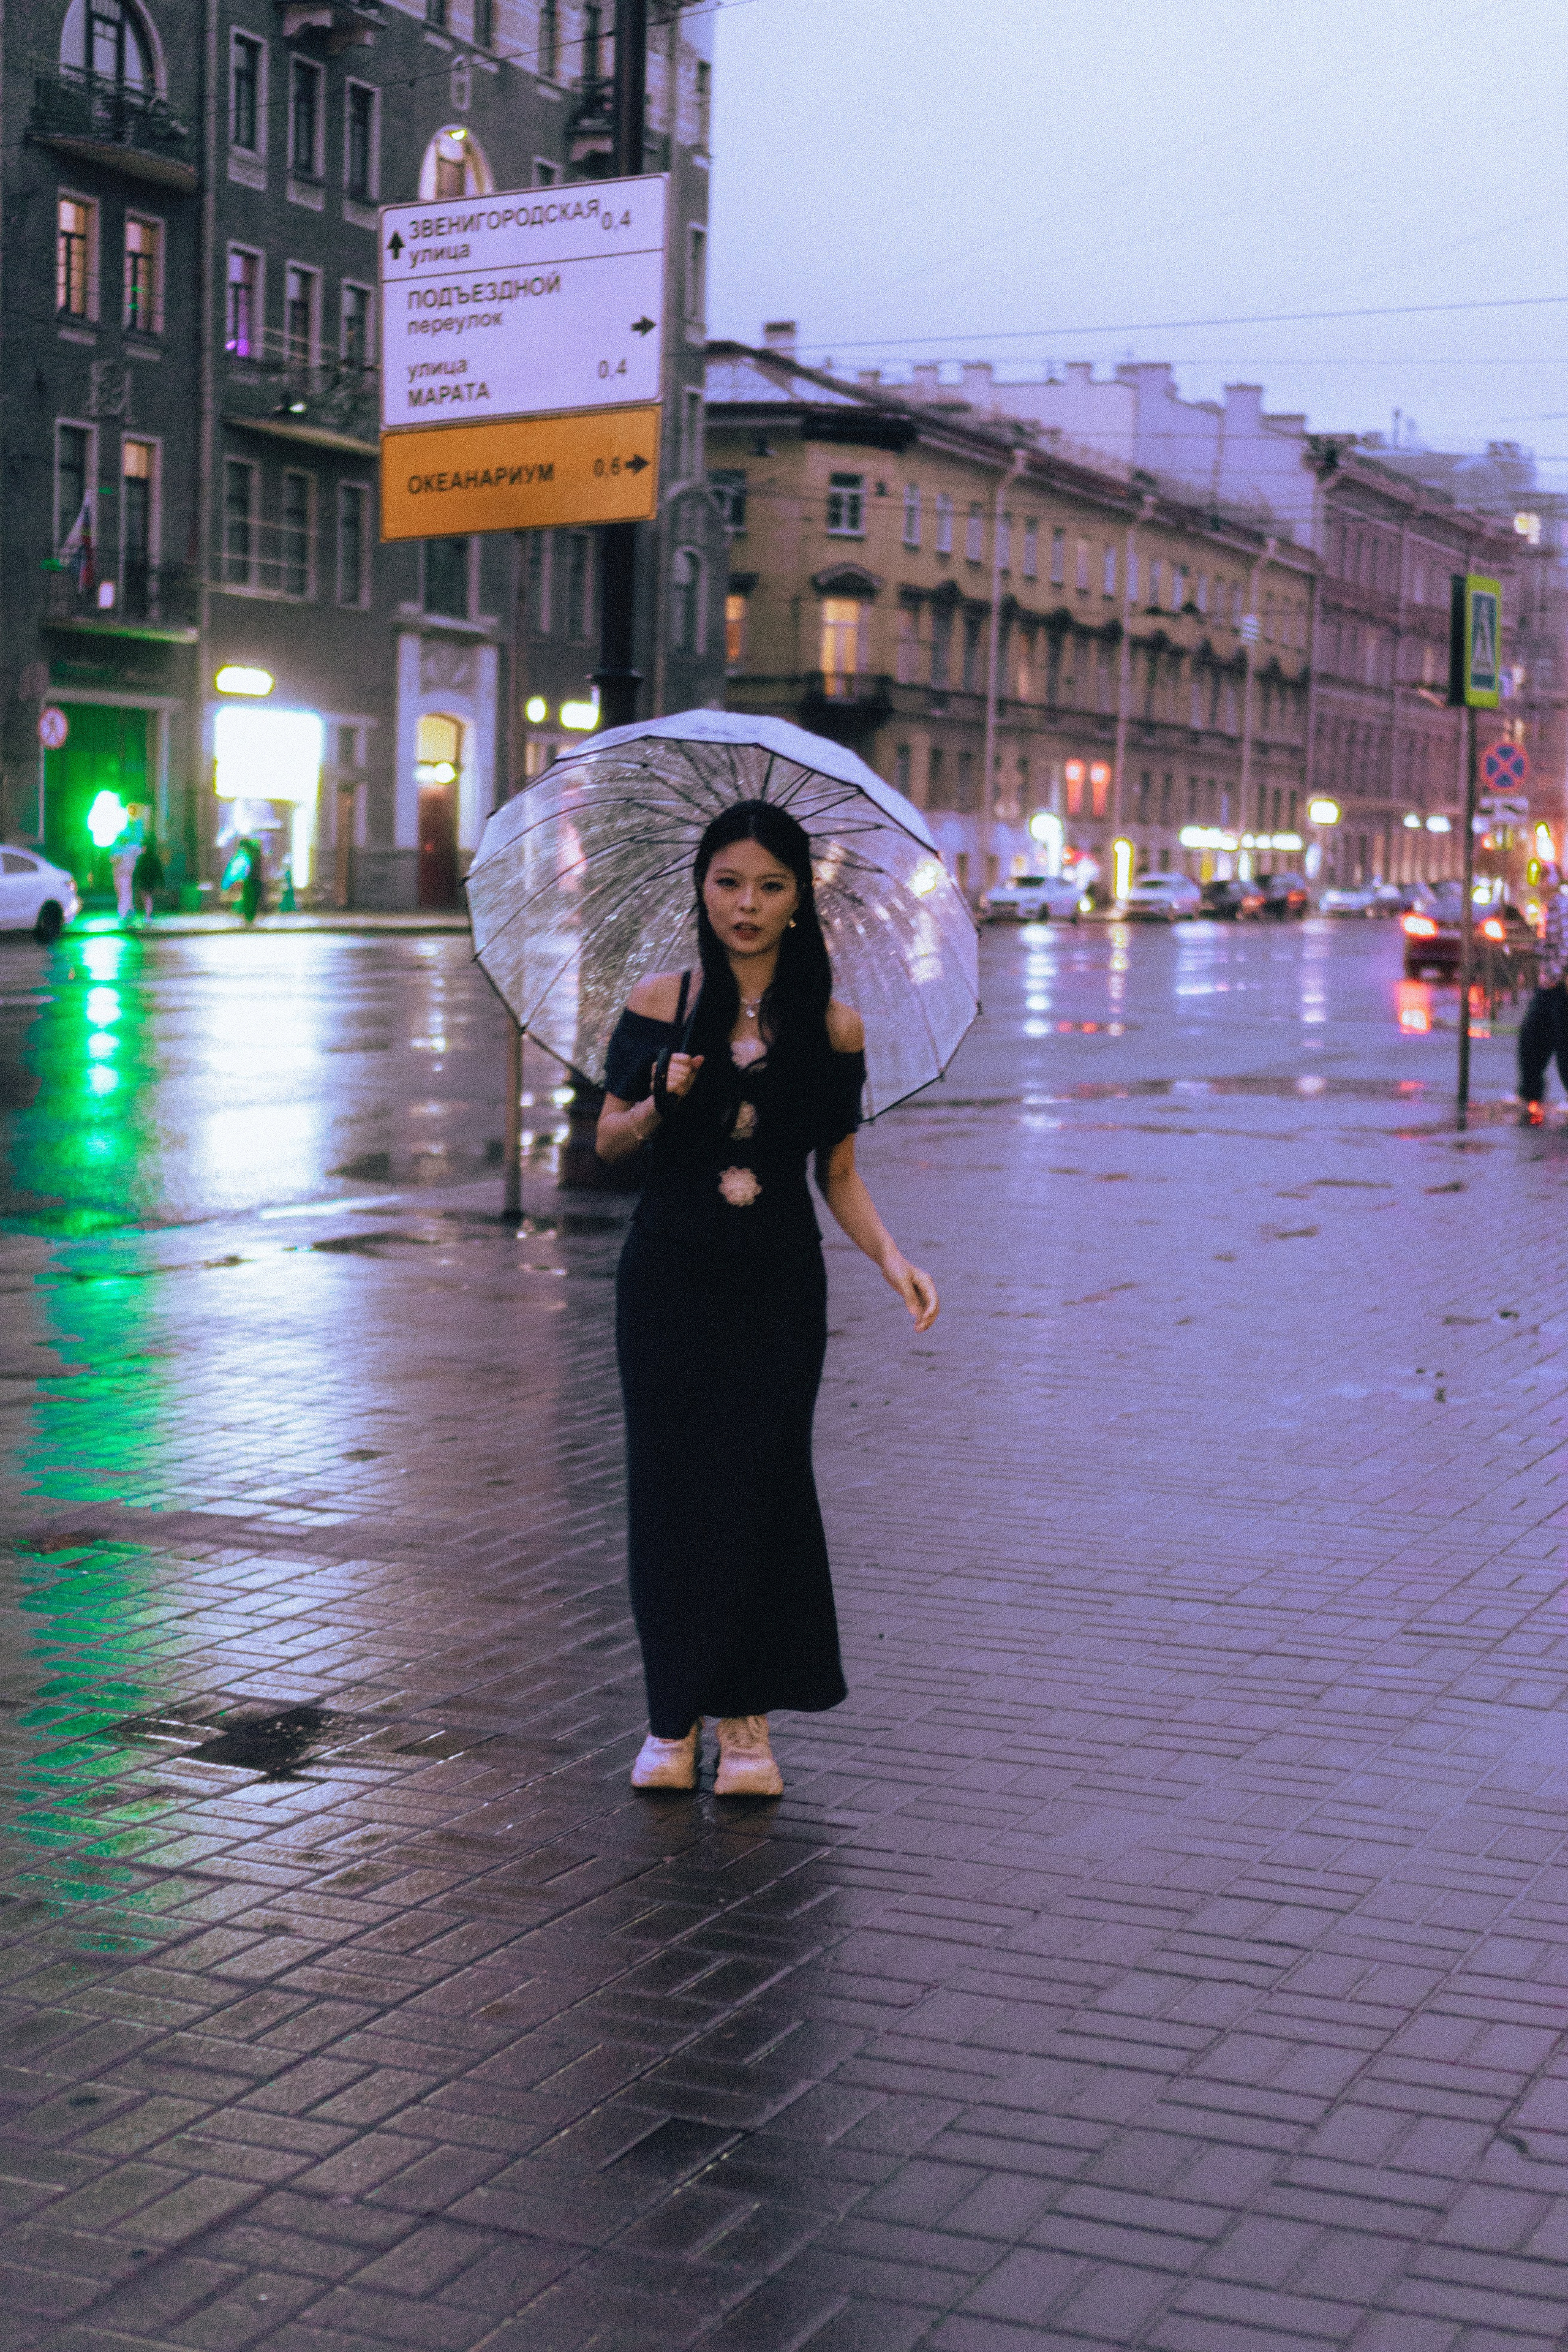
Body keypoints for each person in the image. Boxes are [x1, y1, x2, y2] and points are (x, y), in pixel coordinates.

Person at [596, 800, 938, 1798]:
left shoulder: (833, 1024)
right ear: (702, 888)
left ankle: (744, 1724)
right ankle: (672, 1721)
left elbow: (836, 1173)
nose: (746, 905)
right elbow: (608, 1143)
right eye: (728, 882)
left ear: (801, 901)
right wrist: (664, 1091)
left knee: (761, 1487)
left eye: (771, 886)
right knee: (669, 1493)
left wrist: (891, 1257)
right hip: (669, 1275)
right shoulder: (661, 1002)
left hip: (777, 1282)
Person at [1519, 865, 1568, 1123]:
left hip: (1558, 987)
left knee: (1563, 1045)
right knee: (1532, 1037)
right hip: (1549, 984)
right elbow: (1548, 944)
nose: (1540, 884)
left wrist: (1555, 975)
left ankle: (1531, 1093)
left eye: (1544, 880)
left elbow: (1565, 947)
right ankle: (1530, 1094)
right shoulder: (1549, 908)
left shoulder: (1561, 908)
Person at [109, 802, 147, 924]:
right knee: (123, 892)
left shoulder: (131, 847)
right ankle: (130, 910)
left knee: (125, 892)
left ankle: (123, 913)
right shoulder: (118, 848)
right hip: (119, 874)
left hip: (126, 873)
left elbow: (141, 851)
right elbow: (112, 859)